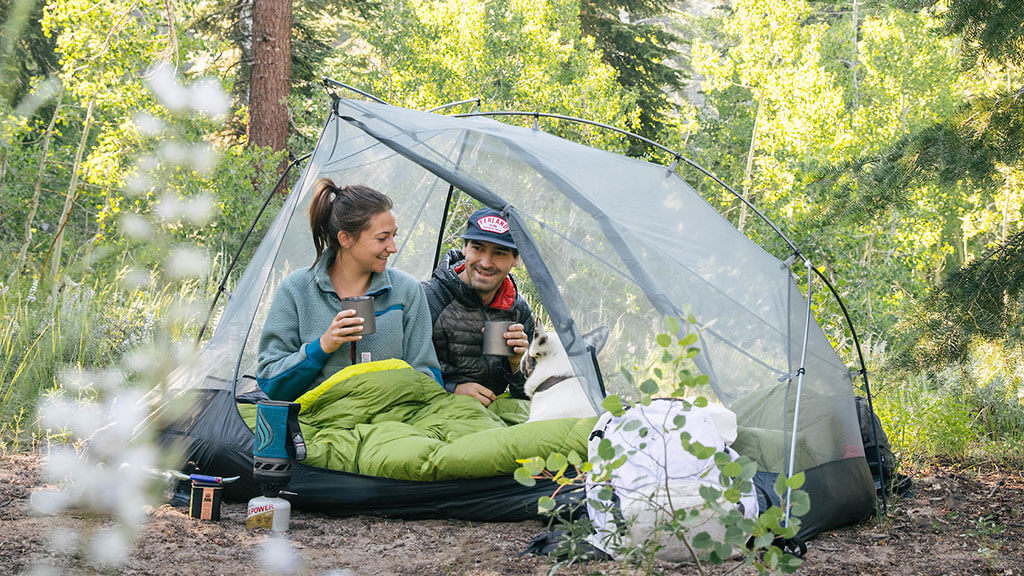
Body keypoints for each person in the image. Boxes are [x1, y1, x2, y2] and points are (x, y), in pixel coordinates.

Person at [257, 179, 442, 401]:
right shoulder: (296, 290)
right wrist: (323, 346)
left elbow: (429, 379)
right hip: (318, 424)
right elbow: (270, 381)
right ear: (345, 238)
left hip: (394, 423)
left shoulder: (407, 291)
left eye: (395, 236)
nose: (393, 248)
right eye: (382, 238)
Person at [423, 208, 535, 406]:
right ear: (464, 248)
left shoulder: (519, 311)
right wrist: (452, 390)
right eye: (478, 248)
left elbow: (529, 396)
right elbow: (405, 373)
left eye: (499, 253)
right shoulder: (429, 298)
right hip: (436, 408)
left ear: (516, 259)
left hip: (494, 415)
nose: (485, 262)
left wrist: (518, 364)